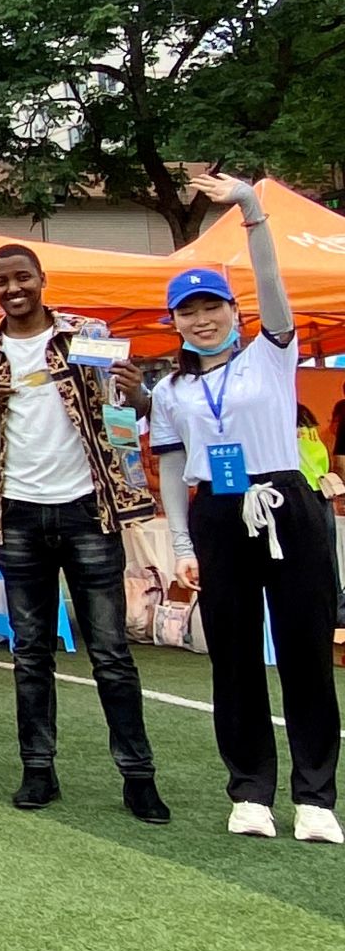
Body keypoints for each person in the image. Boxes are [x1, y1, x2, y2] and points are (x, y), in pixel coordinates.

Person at [0, 244, 168, 821]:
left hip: (87, 509)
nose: (13, 289)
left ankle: (138, 776)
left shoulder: (86, 334)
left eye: (22, 277)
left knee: (110, 652)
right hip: (16, 513)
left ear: (42, 279)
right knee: (30, 653)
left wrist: (139, 397)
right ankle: (38, 769)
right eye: (1, 281)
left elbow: (126, 410)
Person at [150, 173, 341, 844]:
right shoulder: (170, 390)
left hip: (286, 502)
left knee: (305, 652)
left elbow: (271, 281)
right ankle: (251, 791)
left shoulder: (271, 354)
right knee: (232, 658)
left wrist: (252, 209)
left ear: (235, 310)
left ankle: (315, 797)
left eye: (213, 306)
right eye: (188, 312)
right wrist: (181, 543)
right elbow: (172, 469)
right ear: (174, 321)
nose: (202, 319)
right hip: (218, 513)